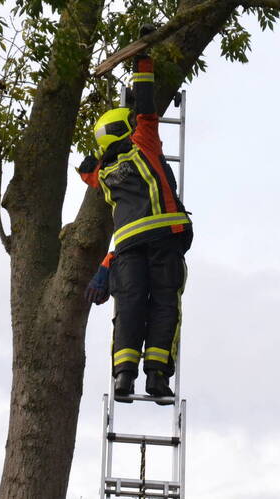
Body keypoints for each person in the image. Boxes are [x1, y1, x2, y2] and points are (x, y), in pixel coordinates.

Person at [77, 54, 192, 404]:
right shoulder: (144, 142)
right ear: (127, 129)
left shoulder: (102, 177)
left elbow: (86, 169)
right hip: (165, 237)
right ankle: (157, 376)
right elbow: (145, 105)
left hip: (126, 249)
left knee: (128, 307)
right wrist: (143, 63)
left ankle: (123, 377)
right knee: (163, 304)